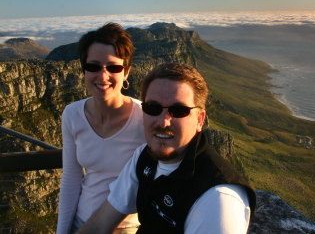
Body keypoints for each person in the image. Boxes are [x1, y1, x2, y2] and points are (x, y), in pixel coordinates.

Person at [76, 62, 256, 234]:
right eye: (153, 108)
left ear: (200, 120)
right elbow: (100, 224)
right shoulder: (144, 157)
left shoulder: (217, 198)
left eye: (179, 111)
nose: (163, 122)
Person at [57, 22, 146, 234]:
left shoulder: (145, 118)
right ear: (84, 70)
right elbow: (71, 179)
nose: (103, 76)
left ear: (126, 73)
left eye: (113, 67)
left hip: (127, 228)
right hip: (83, 223)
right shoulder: (72, 115)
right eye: (94, 67)